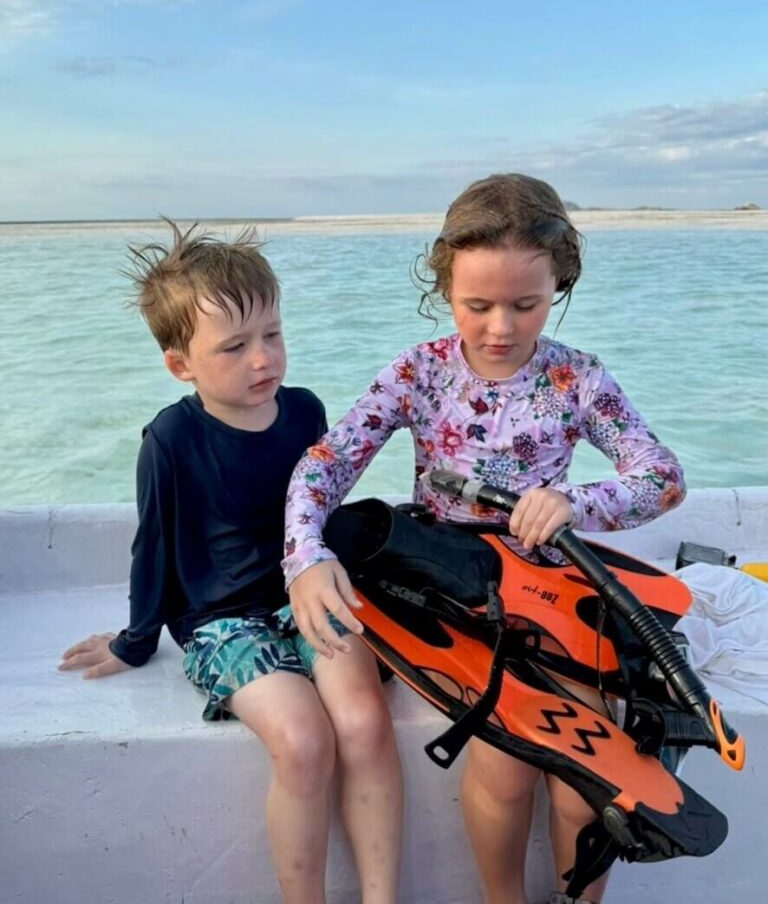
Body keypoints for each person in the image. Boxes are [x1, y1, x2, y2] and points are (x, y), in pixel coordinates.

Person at [281, 174, 686, 904]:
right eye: (478, 305)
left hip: (553, 591)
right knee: (505, 768)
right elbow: (326, 463)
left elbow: (661, 477)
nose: (501, 326)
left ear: (559, 282)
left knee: (585, 779)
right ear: (444, 286)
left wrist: (574, 502)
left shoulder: (576, 378)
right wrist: (306, 555)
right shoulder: (419, 372)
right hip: (449, 588)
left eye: (526, 305)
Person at [59, 222, 403, 904]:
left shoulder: (304, 412)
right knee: (304, 740)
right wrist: (135, 641)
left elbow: (322, 517)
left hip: (307, 595)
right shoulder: (172, 437)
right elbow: (152, 545)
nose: (262, 359)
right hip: (223, 622)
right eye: (235, 346)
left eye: (271, 334)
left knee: (363, 722)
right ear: (180, 363)